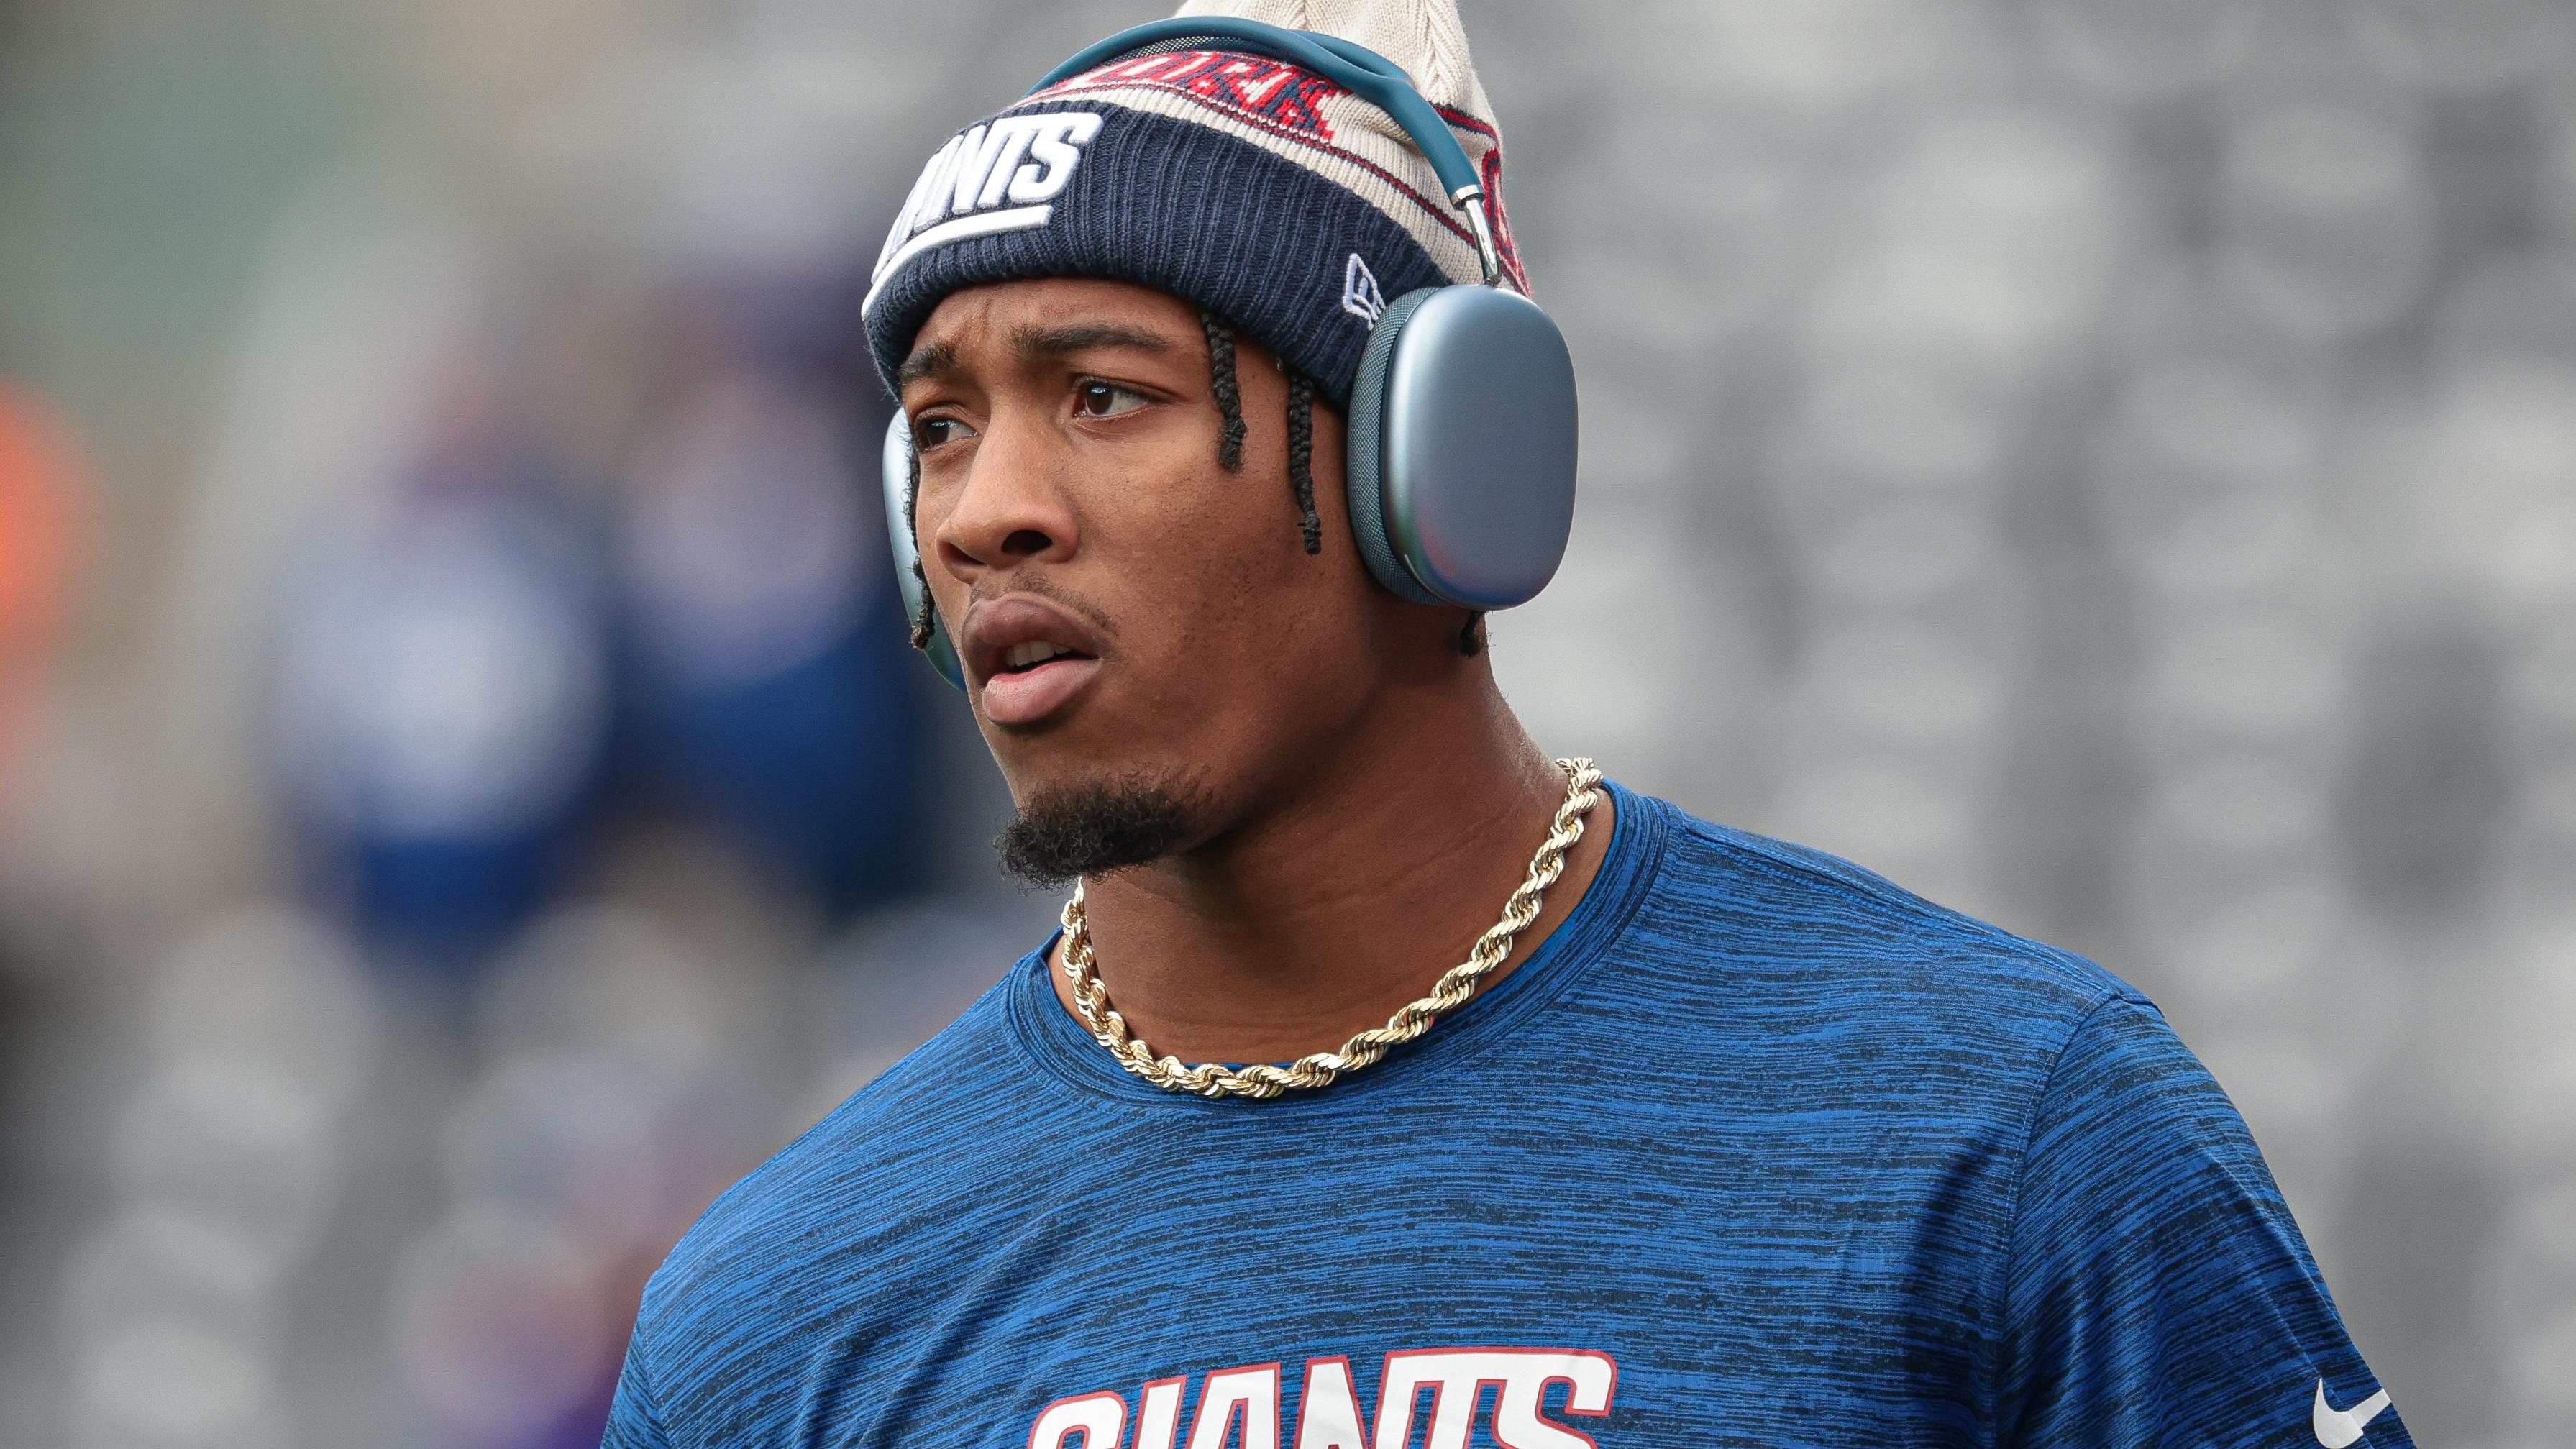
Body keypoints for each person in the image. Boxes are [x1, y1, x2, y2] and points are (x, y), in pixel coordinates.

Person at [603, 2, 2410, 1445]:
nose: (988, 507)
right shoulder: (778, 1320)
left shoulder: (2001, 1132)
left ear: (1435, 469)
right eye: (937, 427)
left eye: (1100, 393)